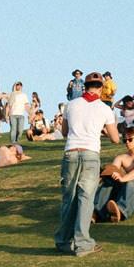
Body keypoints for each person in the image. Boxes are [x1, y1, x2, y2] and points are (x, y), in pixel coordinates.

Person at [55, 72, 120, 256]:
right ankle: (83, 243)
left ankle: (63, 240)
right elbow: (115, 139)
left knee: (69, 198)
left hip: (71, 152)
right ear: (100, 88)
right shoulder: (105, 109)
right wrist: (103, 131)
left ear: (85, 87)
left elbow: (65, 131)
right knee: (86, 198)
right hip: (90, 153)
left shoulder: (71, 105)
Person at [92, 126, 134, 222]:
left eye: (130, 139)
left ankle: (120, 211)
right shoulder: (122, 157)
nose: (127, 142)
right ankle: (96, 212)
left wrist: (124, 178)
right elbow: (113, 169)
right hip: (129, 190)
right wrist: (104, 175)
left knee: (132, 181)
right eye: (125, 140)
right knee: (109, 182)